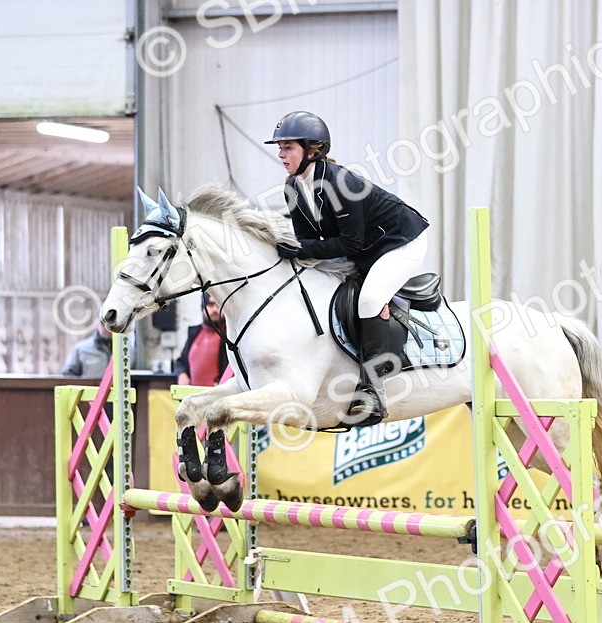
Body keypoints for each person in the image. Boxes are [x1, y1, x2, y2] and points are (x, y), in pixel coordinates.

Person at [265, 111, 430, 425]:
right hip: (367, 249)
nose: (281, 155)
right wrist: (293, 249)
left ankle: (373, 389)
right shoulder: (292, 188)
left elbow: (349, 244)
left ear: (312, 150)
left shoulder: (340, 182)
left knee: (369, 300)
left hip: (401, 242)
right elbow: (308, 240)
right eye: (280, 148)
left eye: (288, 148)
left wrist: (300, 248)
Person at [175, 294, 229, 386]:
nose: (216, 310)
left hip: (218, 396)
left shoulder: (230, 336)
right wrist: (182, 374)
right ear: (203, 307)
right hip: (193, 396)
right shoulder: (194, 332)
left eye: (219, 305)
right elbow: (181, 362)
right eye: (211, 305)